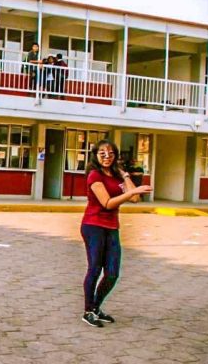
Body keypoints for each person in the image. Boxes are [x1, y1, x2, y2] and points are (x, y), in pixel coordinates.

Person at [80, 140, 152, 328]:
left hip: (112, 227)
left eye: (111, 153)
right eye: (102, 153)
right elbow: (107, 203)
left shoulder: (116, 176)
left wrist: (125, 175)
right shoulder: (94, 175)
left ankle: (96, 308)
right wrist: (133, 191)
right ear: (95, 155)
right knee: (95, 269)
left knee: (112, 273)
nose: (106, 156)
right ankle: (88, 311)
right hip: (93, 226)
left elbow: (135, 198)